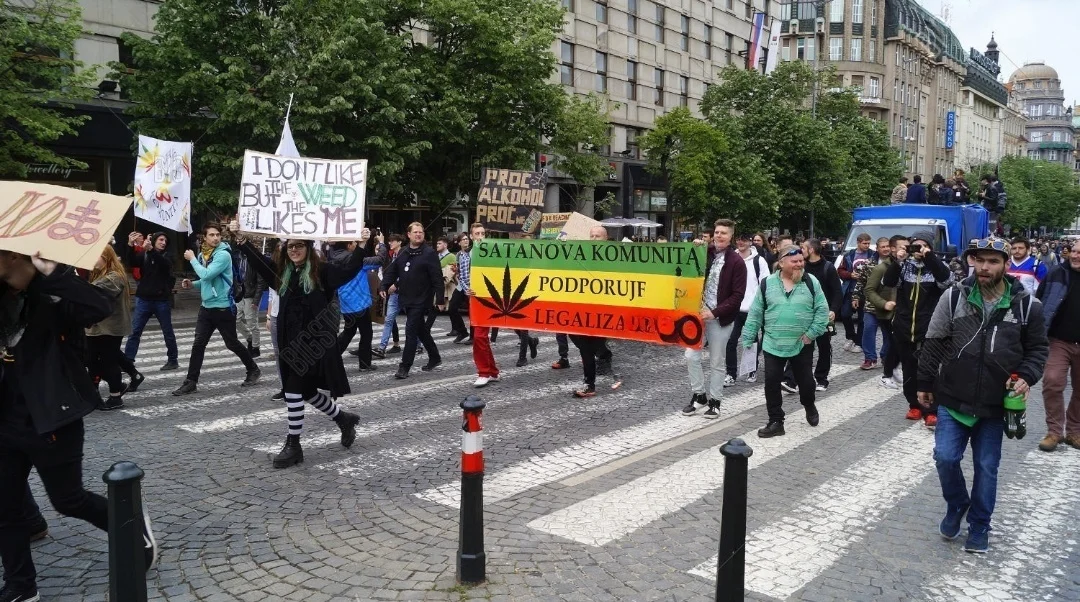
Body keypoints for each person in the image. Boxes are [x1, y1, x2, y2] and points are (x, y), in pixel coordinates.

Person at [0, 251, 159, 602]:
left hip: (53, 416)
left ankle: (131, 529)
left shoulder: (55, 294)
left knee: (68, 500)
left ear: (11, 256)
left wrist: (53, 274)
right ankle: (21, 585)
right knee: (5, 506)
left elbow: (97, 308)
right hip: (7, 420)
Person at [918, 237, 1048, 553]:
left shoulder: (1027, 305)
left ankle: (979, 526)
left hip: (994, 405)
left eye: (993, 261)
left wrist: (1027, 377)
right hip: (953, 397)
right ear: (972, 261)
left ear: (1006, 265)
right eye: (980, 260)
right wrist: (923, 383)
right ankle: (957, 503)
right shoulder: (953, 297)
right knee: (946, 458)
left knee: (986, 468)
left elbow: (1037, 350)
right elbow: (934, 341)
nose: (985, 267)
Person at [236, 231, 368, 468]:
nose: (294, 250)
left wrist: (361, 245)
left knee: (294, 391)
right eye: (290, 247)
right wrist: (243, 242)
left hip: (313, 345)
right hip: (290, 345)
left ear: (308, 248)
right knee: (305, 391)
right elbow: (259, 262)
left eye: (299, 246)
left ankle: (293, 445)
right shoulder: (282, 274)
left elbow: (349, 269)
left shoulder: (322, 272)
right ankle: (343, 419)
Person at [741, 244, 830, 438]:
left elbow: (822, 311)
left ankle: (809, 404)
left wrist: (811, 334)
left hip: (802, 343)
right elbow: (756, 313)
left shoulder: (810, 281)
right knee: (771, 382)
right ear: (781, 263)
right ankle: (776, 421)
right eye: (795, 261)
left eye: (801, 261)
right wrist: (748, 337)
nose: (799, 264)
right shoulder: (767, 283)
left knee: (806, 381)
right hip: (773, 342)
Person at [172, 222, 261, 396]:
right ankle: (191, 381)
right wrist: (193, 284)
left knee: (232, 343)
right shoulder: (203, 255)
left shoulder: (223, 255)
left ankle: (253, 369)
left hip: (222, 308)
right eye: (211, 235)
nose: (215, 238)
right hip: (206, 308)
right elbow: (205, 280)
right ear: (204, 238)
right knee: (198, 344)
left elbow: (206, 274)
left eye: (217, 235)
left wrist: (191, 260)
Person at [882, 230, 952, 427]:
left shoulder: (938, 266)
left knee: (930, 369)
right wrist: (898, 261)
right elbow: (888, 282)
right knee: (909, 368)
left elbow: (946, 281)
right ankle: (913, 404)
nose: (917, 250)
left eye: (922, 246)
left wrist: (929, 257)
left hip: (930, 328)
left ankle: (932, 409)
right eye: (915, 245)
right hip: (904, 327)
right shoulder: (905, 267)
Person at [682, 219, 746, 418]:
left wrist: (716, 312)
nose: (719, 236)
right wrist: (693, 249)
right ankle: (699, 394)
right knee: (691, 356)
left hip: (720, 317)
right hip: (698, 314)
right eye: (717, 232)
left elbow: (738, 295)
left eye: (724, 233)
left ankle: (715, 400)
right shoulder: (705, 253)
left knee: (716, 361)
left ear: (730, 237)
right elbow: (686, 268)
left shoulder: (737, 262)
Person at [381, 222, 445, 379]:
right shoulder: (403, 252)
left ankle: (404, 366)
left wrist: (440, 299)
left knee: (410, 330)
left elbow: (437, 278)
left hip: (422, 299)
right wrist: (384, 285)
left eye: (421, 232)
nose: (418, 234)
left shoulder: (429, 253)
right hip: (406, 298)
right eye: (415, 232)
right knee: (421, 329)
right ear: (408, 235)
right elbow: (393, 271)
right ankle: (435, 357)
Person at [1035, 238, 1080, 452]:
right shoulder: (1056, 274)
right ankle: (1054, 431)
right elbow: (1039, 300)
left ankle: (1074, 431)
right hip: (1058, 340)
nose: (1076, 255)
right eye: (1074, 251)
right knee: (1052, 381)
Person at [780, 239, 841, 392]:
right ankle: (790, 379)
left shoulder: (828, 268)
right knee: (799, 344)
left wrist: (833, 309)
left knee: (824, 346)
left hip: (824, 314)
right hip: (804, 314)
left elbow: (837, 292)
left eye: (803, 248)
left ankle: (821, 378)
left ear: (811, 250)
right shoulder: (801, 267)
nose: (801, 251)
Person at [87, 246, 141, 411]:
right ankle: (94, 393)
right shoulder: (98, 273)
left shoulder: (114, 277)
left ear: (106, 257)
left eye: (96, 256)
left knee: (109, 360)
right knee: (90, 360)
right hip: (96, 326)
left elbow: (92, 292)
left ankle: (115, 396)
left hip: (110, 326)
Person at [569, 226, 620, 398]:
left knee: (586, 346)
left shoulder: (615, 258)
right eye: (591, 236)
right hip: (584, 309)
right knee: (578, 339)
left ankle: (589, 384)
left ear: (606, 238)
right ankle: (603, 354)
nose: (593, 239)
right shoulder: (582, 255)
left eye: (597, 236)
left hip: (603, 311)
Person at [122, 231, 179, 371]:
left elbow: (164, 264)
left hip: (161, 300)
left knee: (167, 331)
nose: (163, 242)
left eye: (165, 240)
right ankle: (128, 360)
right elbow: (132, 262)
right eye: (160, 239)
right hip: (144, 299)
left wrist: (151, 250)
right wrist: (130, 245)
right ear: (153, 240)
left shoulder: (168, 256)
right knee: (135, 331)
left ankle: (173, 360)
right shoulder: (145, 254)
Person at [725, 233, 769, 385]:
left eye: (744, 239)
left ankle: (752, 370)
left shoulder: (759, 261)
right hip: (735, 308)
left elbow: (765, 284)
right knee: (730, 341)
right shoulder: (731, 258)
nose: (740, 242)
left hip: (752, 309)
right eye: (738, 239)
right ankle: (731, 373)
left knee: (751, 341)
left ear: (750, 242)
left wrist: (760, 305)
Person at [864, 235, 905, 389]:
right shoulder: (880, 268)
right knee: (894, 342)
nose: (905, 250)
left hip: (903, 312)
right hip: (887, 313)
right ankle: (887, 373)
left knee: (898, 343)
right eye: (902, 247)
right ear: (893, 248)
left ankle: (892, 369)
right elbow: (869, 290)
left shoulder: (908, 265)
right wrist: (884, 303)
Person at [336, 237, 383, 372]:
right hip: (359, 304)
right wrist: (381, 243)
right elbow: (380, 260)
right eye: (355, 243)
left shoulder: (335, 259)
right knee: (366, 333)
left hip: (346, 304)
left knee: (348, 332)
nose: (356, 245)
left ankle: (331, 357)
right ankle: (364, 364)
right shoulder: (359, 261)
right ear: (349, 245)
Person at [852, 237, 892, 371]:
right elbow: (861, 282)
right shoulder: (869, 263)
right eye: (883, 247)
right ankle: (870, 358)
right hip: (871, 304)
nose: (886, 249)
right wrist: (855, 296)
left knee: (889, 334)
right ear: (877, 249)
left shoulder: (896, 263)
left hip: (889, 305)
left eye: (888, 246)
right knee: (868, 330)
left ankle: (886, 356)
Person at [837, 233, 876, 354]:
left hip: (866, 291)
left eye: (868, 243)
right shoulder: (850, 255)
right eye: (865, 243)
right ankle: (851, 337)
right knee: (844, 314)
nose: (867, 245)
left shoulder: (873, 255)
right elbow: (840, 270)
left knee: (862, 319)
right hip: (850, 289)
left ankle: (859, 342)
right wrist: (850, 275)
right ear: (858, 243)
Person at [234, 235, 267, 359]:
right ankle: (249, 339)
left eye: (241, 241)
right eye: (237, 241)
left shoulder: (255, 259)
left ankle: (255, 347)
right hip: (240, 294)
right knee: (235, 319)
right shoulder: (238, 257)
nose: (238, 244)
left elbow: (261, 282)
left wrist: (256, 300)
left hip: (251, 295)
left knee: (252, 322)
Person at [373, 234, 404, 358]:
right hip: (395, 293)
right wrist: (385, 286)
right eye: (389, 241)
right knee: (389, 319)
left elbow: (406, 273)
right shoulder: (394, 256)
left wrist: (395, 284)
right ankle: (382, 348)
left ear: (400, 242)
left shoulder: (403, 254)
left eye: (393, 241)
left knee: (415, 321)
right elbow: (390, 273)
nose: (390, 243)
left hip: (406, 292)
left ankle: (418, 344)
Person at [447, 232, 471, 344]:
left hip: (472, 287)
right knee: (452, 308)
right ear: (460, 242)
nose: (466, 241)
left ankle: (473, 336)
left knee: (473, 312)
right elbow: (458, 271)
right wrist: (455, 271)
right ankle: (462, 331)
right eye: (464, 239)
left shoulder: (473, 253)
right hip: (462, 285)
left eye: (467, 239)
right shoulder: (458, 255)